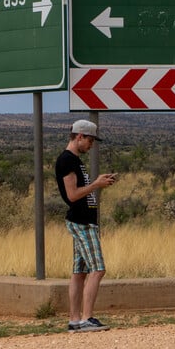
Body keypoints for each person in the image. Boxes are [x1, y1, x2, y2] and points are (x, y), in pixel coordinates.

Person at [54, 119, 117, 332]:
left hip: (82, 220)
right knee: (97, 269)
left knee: (79, 272)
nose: (91, 144)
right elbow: (72, 195)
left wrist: (97, 184)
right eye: (90, 140)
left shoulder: (73, 160)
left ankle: (75, 320)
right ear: (79, 136)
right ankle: (87, 318)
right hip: (82, 222)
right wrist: (96, 184)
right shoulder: (67, 160)